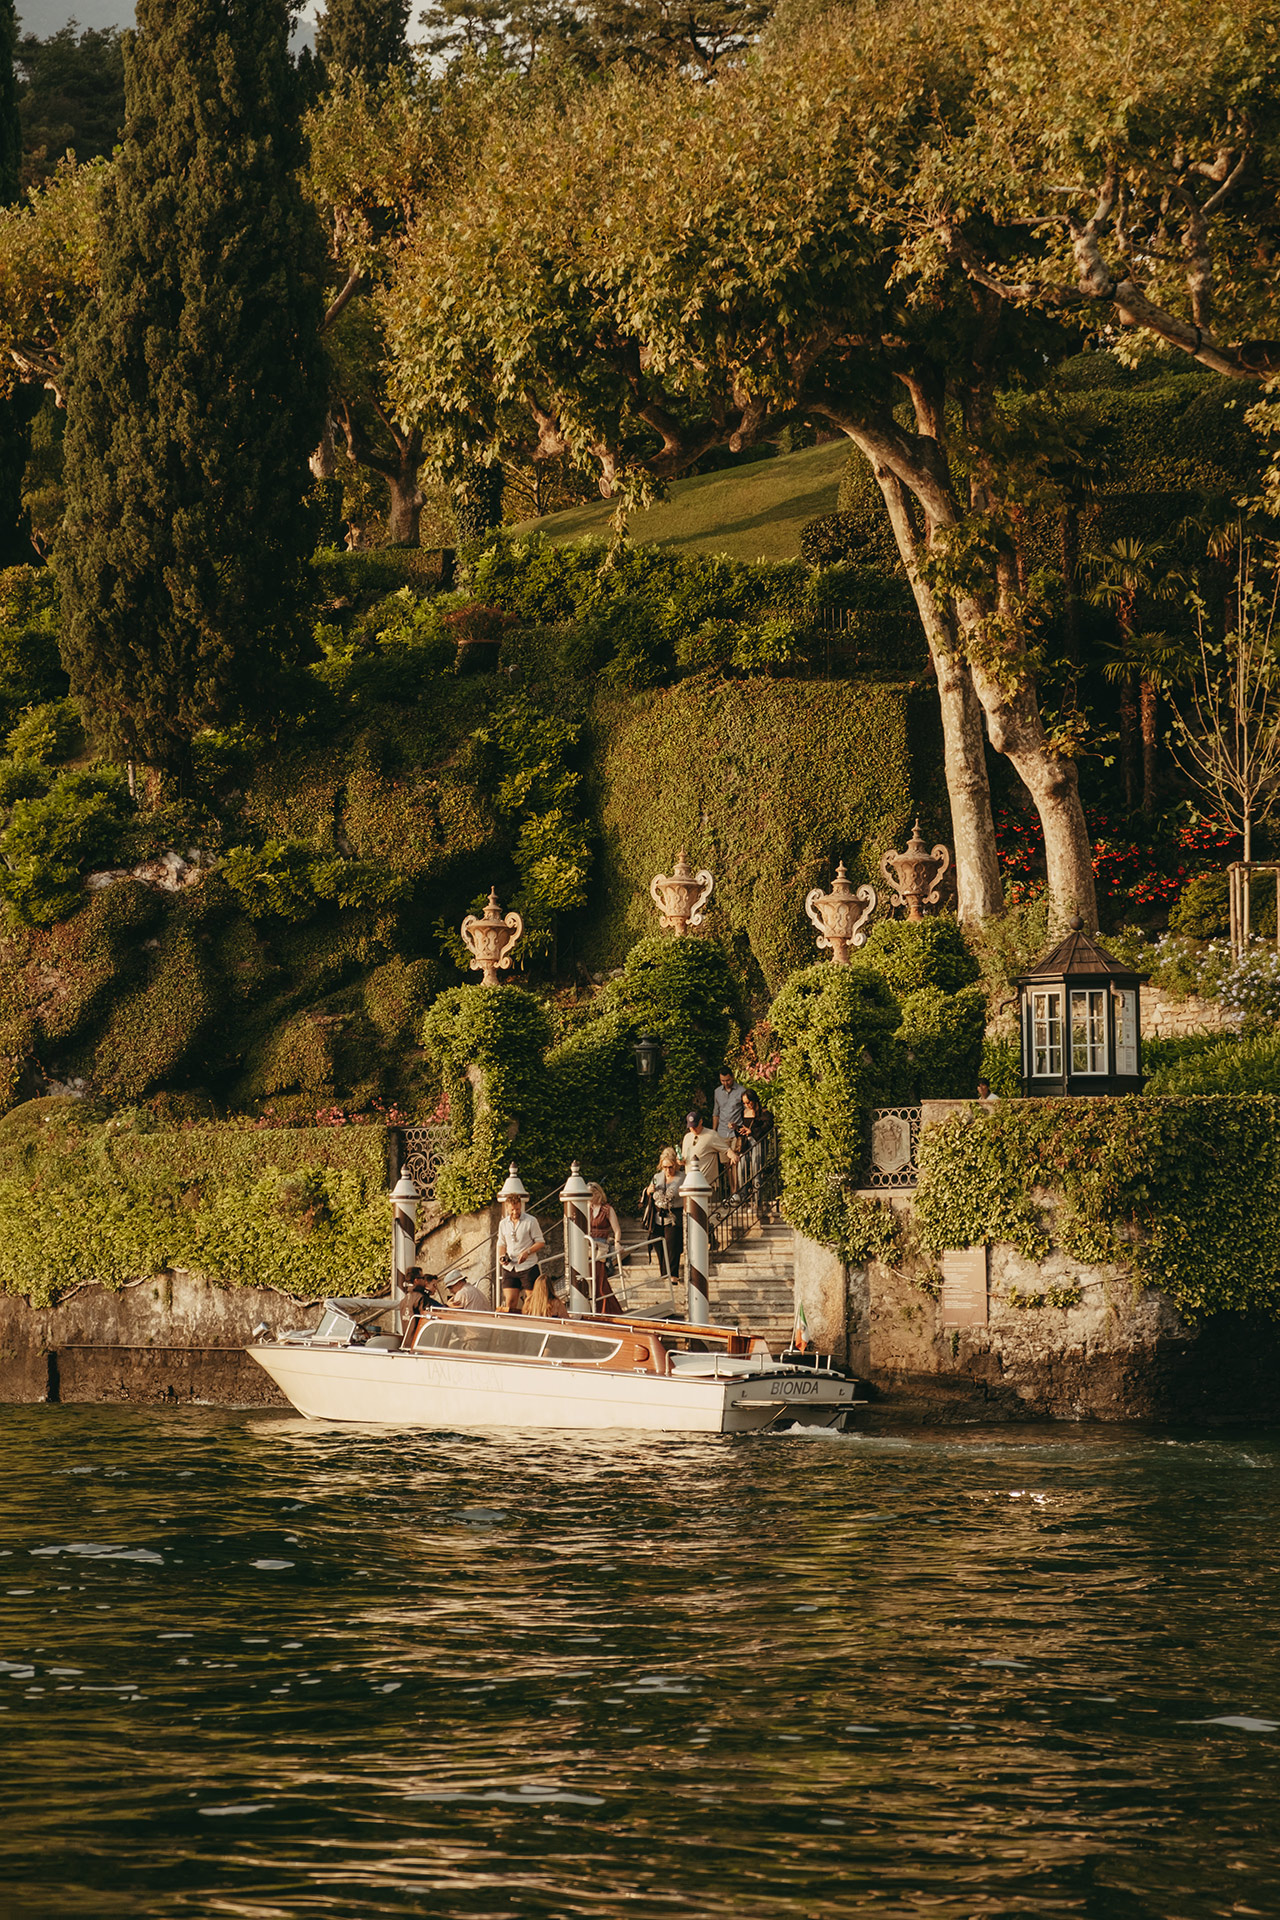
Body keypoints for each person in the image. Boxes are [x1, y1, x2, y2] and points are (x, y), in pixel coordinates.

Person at [496, 1193, 547, 1312]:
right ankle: (510, 1328)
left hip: (528, 1266)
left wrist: (527, 1252)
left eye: (518, 1209)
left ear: (521, 1206)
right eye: (512, 1210)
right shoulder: (503, 1224)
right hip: (510, 1268)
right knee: (509, 1302)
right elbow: (501, 1243)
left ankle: (530, 1325)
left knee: (531, 1301)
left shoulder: (531, 1221)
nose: (515, 1212)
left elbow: (540, 1242)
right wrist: (501, 1256)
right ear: (507, 1208)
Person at [645, 1146, 684, 1279]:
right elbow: (649, 1192)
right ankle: (664, 1274)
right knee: (658, 1245)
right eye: (665, 1167)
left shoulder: (682, 1177)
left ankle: (673, 1274)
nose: (668, 1170)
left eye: (671, 1167)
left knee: (672, 1246)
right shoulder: (657, 1176)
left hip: (674, 1215)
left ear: (675, 1165)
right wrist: (648, 1190)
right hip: (657, 1215)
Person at [587, 1181, 625, 1315]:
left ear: (598, 1193)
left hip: (601, 1245)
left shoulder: (607, 1209)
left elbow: (617, 1230)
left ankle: (606, 1308)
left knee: (599, 1276)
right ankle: (598, 1307)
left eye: (591, 1194)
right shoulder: (587, 1208)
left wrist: (617, 1242)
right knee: (590, 1276)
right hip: (588, 1245)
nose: (589, 1197)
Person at [679, 1110, 739, 1193]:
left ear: (701, 1121)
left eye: (695, 1126)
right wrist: (680, 1161)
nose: (693, 1129)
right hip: (690, 1185)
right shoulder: (687, 1137)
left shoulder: (711, 1135)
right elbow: (684, 1159)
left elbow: (726, 1149)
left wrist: (733, 1156)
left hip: (707, 1185)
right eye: (691, 1126)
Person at [713, 1067, 746, 1140]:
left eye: (728, 1080)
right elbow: (716, 1113)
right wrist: (714, 1131)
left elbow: (746, 1110)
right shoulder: (717, 1092)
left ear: (732, 1077)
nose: (725, 1083)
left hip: (736, 1133)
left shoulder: (741, 1091)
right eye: (722, 1081)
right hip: (721, 1132)